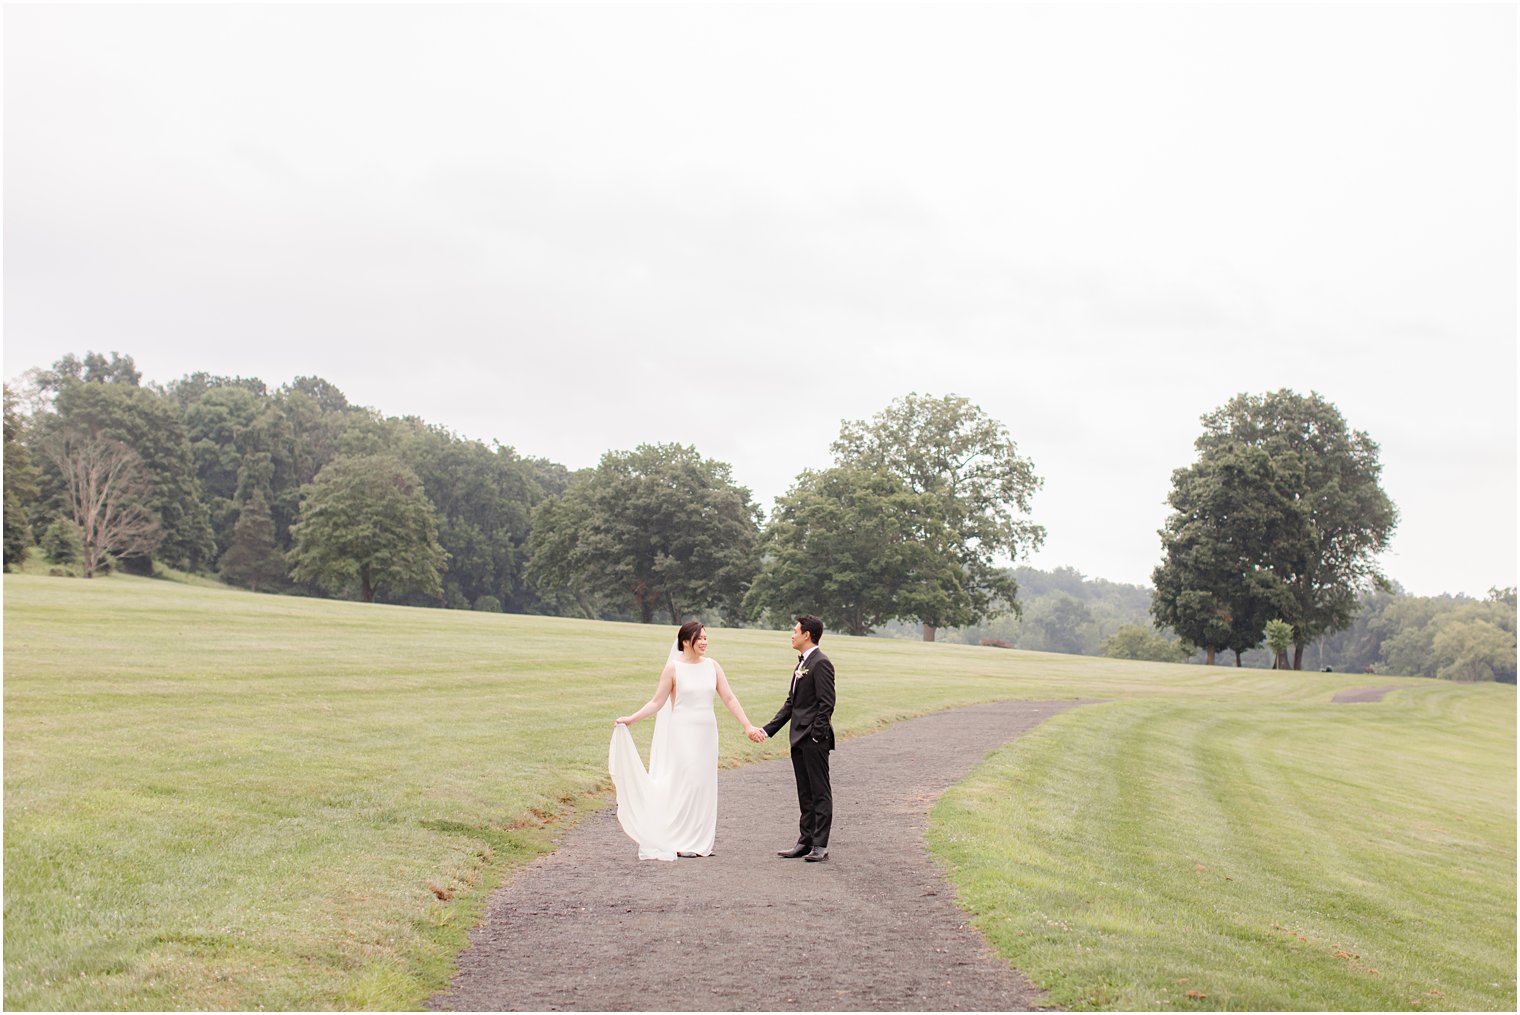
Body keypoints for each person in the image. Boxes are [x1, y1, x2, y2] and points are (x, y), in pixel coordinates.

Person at [608, 620, 766, 861]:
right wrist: (631, 719)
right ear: (685, 641)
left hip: (707, 733)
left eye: (706, 638)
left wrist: (747, 726)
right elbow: (657, 702)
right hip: (682, 732)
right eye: (699, 638)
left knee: (703, 782)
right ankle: (679, 839)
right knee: (687, 780)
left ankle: (698, 839)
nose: (704, 642)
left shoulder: (713, 666)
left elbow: (729, 698)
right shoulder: (673, 669)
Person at [762, 614, 836, 862]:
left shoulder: (821, 663)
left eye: (795, 631)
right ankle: (804, 841)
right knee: (805, 792)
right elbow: (791, 704)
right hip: (798, 738)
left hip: (814, 739)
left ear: (807, 635)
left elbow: (827, 704)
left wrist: (816, 735)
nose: (792, 635)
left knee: (819, 792)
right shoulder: (802, 664)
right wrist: (767, 730)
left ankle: (820, 845)